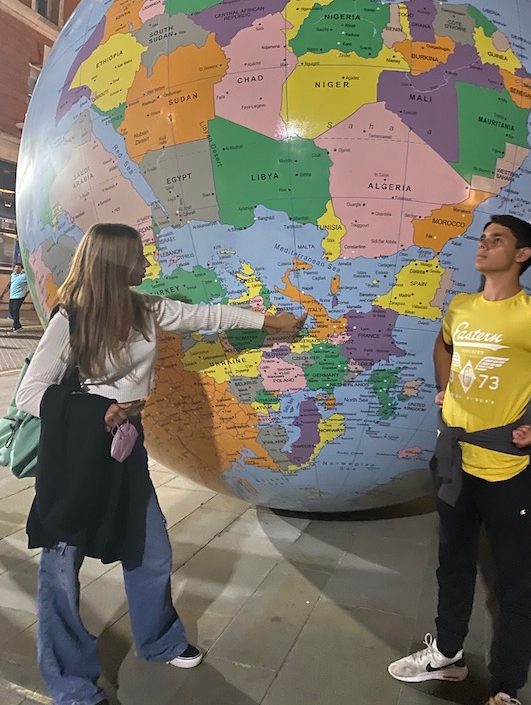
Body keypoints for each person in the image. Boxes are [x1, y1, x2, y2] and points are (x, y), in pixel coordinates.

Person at [15, 223, 306, 705]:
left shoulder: (144, 308)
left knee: (151, 549)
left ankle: (160, 641)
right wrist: (97, 411)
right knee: (60, 568)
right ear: (116, 263)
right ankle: (71, 685)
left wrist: (268, 322)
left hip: (125, 446)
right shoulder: (72, 318)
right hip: (78, 457)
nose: (147, 263)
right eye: (139, 256)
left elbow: (204, 315)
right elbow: (30, 393)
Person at [387, 214, 531, 705]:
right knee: (452, 563)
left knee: (514, 582)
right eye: (482, 239)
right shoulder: (461, 306)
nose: (482, 246)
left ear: (522, 255)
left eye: (496, 240)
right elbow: (443, 344)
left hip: (505, 473)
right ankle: (447, 655)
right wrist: (445, 387)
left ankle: (505, 688)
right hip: (454, 463)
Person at [1, 261, 29, 331]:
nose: (17, 269)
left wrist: (27, 293)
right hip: (12, 296)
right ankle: (18, 326)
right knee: (11, 311)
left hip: (19, 296)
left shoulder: (24, 276)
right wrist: (3, 294)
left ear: (21, 269)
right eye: (16, 267)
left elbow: (31, 285)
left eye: (18, 268)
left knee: (15, 310)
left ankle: (16, 327)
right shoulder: (12, 275)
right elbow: (9, 285)